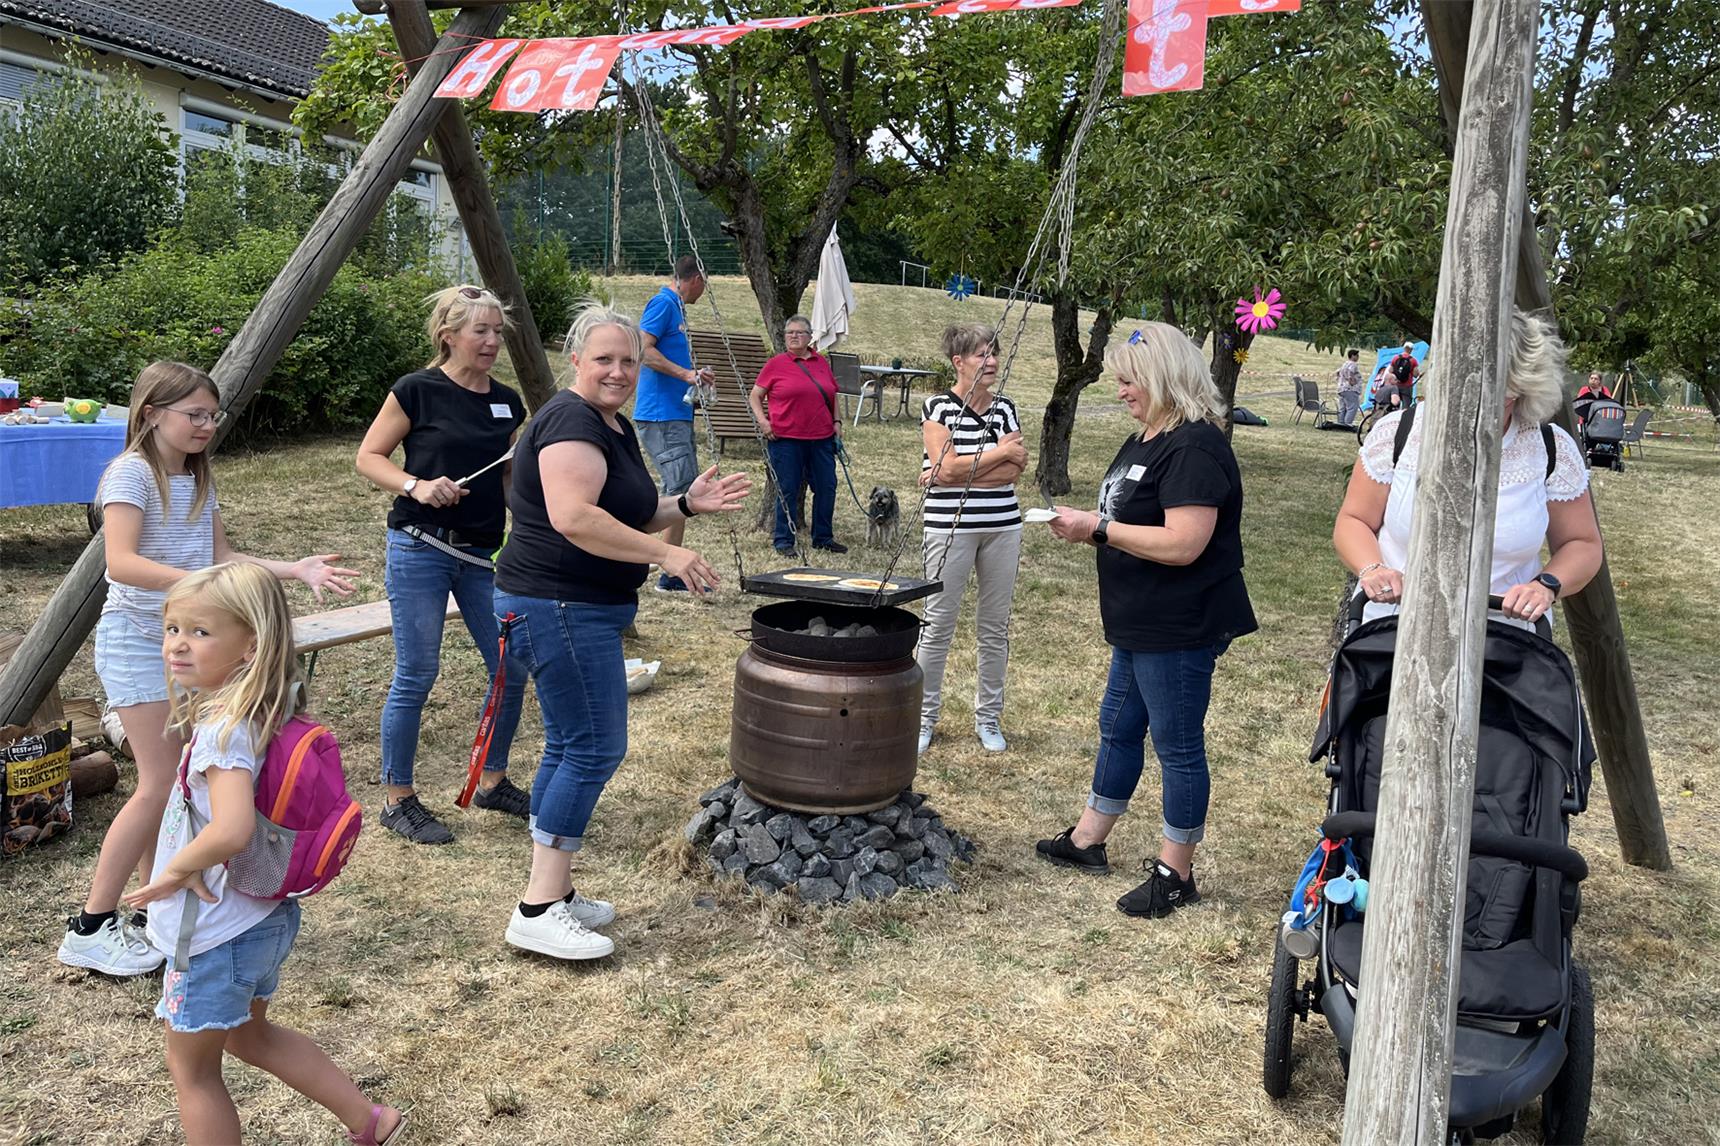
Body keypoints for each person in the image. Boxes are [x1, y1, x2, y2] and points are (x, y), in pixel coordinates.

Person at [57, 362, 357, 978]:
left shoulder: (197, 478)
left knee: (171, 785)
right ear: (150, 415)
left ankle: (151, 910)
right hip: (142, 645)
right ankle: (90, 926)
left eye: (211, 415)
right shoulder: (131, 475)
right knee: (158, 785)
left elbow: (220, 556)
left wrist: (292, 569)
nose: (205, 426)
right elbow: (121, 562)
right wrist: (207, 591)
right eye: (193, 414)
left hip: (187, 646)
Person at [494, 301, 750, 961]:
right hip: (557, 605)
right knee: (593, 749)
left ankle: (554, 892)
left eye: (628, 360)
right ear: (575, 359)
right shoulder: (571, 422)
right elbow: (574, 516)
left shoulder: (609, 423)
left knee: (569, 746)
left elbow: (625, 507)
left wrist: (685, 505)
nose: (618, 371)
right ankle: (535, 909)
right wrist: (667, 552)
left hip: (574, 606)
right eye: (604, 358)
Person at [123, 563, 404, 1146]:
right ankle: (369, 1120)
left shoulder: (224, 730)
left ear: (251, 645)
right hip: (257, 917)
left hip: (213, 934)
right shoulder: (264, 709)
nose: (178, 643)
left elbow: (230, 828)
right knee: (252, 1036)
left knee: (194, 1072)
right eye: (173, 627)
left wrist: (174, 870)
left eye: (201, 632)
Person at [1034, 323, 1258, 920]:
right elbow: (1129, 522)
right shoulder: (1146, 439)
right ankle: (1087, 840)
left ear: (1161, 377)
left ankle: (1175, 872)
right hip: (1137, 621)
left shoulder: (1193, 447)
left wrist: (1098, 528)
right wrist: (1088, 527)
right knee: (1118, 726)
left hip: (1179, 624)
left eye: (1129, 380)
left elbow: (1185, 543)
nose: (1121, 391)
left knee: (1177, 746)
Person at [355, 285, 529, 845]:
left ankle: (492, 780)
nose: (491, 341)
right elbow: (368, 457)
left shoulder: (507, 402)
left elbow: (506, 477)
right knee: (418, 673)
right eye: (480, 330)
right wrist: (418, 485)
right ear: (447, 335)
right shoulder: (417, 391)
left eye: (497, 331)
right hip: (420, 547)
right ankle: (396, 797)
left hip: (481, 556)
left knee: (510, 667)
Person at [1334, 309, 1602, 629]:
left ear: (1524, 386)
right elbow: (1353, 520)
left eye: (1498, 394)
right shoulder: (1398, 433)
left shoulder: (1549, 449)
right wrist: (1372, 569)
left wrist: (1545, 586)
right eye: (1462, 387)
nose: (1475, 406)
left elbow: (1582, 543)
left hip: (1505, 637)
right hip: (1391, 628)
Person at [915, 322, 1027, 756]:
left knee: (994, 628)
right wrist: (998, 454)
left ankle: (988, 718)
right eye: (983, 354)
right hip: (948, 529)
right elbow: (947, 467)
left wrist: (953, 471)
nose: (993, 361)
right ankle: (923, 719)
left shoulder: (1005, 409)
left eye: (994, 353)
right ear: (959, 362)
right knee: (937, 624)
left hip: (1003, 526)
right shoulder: (937, 406)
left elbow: (1013, 472)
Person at [634, 254, 716, 593]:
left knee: (680, 489)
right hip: (660, 414)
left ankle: (668, 568)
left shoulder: (676, 308)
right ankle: (667, 571)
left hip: (674, 413)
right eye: (704, 284)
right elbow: (642, 347)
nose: (704, 291)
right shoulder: (664, 303)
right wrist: (686, 374)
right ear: (695, 279)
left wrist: (695, 379)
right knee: (679, 490)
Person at [748, 314, 847, 556]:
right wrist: (763, 422)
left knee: (827, 487)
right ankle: (784, 540)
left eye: (799, 332)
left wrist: (837, 422)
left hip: (822, 438)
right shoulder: (776, 364)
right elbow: (755, 396)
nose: (793, 336)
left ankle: (823, 537)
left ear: (810, 337)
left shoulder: (821, 363)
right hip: (786, 439)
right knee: (788, 489)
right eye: (789, 332)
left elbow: (832, 395)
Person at [1335, 348, 1364, 426]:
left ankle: (1340, 423)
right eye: (1357, 355)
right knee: (1352, 407)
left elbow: (1337, 372)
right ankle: (1347, 424)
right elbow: (1351, 372)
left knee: (1343, 408)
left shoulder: (1345, 364)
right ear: (1352, 356)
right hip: (1350, 389)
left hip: (1341, 389)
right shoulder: (1353, 364)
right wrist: (1351, 381)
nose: (1358, 357)